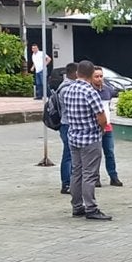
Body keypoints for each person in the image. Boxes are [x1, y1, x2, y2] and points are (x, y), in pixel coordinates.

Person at [59, 59, 111, 221]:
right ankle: (91, 208)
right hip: (90, 138)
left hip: (73, 136)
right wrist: (101, 130)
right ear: (90, 74)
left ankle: (77, 206)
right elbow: (102, 117)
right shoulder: (90, 92)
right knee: (90, 174)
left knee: (77, 172)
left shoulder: (67, 90)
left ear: (77, 73)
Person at [88, 66, 123, 187]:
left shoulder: (107, 90)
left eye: (101, 76)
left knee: (109, 152)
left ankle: (113, 177)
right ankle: (95, 177)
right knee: (95, 154)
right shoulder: (89, 92)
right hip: (94, 128)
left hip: (107, 126)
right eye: (96, 76)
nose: (99, 79)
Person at [55, 62, 78, 195]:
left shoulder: (65, 86)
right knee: (68, 155)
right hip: (67, 125)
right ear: (75, 73)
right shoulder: (67, 88)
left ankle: (70, 182)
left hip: (67, 124)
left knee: (70, 155)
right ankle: (66, 183)